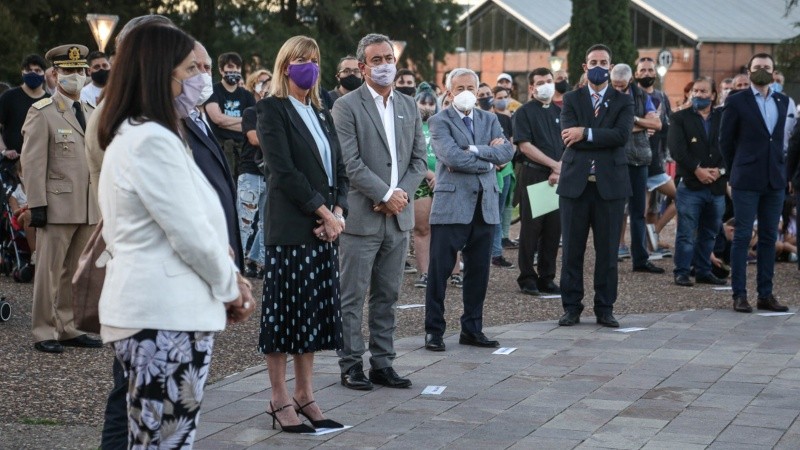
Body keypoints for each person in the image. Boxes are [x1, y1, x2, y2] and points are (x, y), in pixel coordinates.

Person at [95, 24, 253, 447]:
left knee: (159, 438)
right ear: (161, 72)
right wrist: (230, 287)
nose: (201, 78)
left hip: (165, 315)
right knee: (162, 440)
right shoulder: (149, 140)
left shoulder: (152, 133)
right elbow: (189, 232)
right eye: (190, 68)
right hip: (161, 317)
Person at [254, 34, 349, 433]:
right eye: (300, 59)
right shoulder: (272, 110)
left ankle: (305, 395)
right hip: (292, 229)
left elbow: (338, 169)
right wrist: (325, 213)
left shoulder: (322, 112)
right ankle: (279, 398)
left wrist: (338, 211)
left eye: (313, 58)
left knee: (309, 317)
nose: (308, 65)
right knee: (284, 315)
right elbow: (283, 171)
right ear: (285, 65)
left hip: (322, 230)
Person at [331, 33, 426, 391]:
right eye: (377, 60)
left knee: (388, 296)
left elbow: (418, 159)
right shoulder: (346, 106)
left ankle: (383, 364)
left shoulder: (408, 105)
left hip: (397, 218)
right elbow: (350, 163)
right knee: (352, 296)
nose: (385, 64)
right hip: (362, 216)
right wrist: (384, 193)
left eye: (389, 58)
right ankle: (351, 363)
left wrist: (398, 196)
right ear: (362, 66)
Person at [423, 68, 514, 352]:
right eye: (459, 87)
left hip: (485, 206)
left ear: (477, 91)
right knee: (439, 271)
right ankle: (434, 331)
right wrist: (488, 157)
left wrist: (473, 151)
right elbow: (450, 156)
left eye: (471, 87)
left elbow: (506, 152)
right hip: (451, 205)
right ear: (448, 92)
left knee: (479, 271)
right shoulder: (439, 121)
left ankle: (472, 329)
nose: (466, 92)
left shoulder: (491, 119)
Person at [20, 44, 102, 353]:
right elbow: (32, 162)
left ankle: (68, 327)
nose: (76, 76)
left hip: (87, 204)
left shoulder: (92, 111)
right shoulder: (42, 112)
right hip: (56, 204)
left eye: (80, 71)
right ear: (55, 74)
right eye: (69, 71)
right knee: (48, 271)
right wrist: (37, 203)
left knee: (76, 272)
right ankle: (44, 330)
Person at [557, 44, 634, 328]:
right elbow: (568, 134)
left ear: (611, 66)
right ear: (584, 66)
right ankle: (571, 307)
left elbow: (621, 136)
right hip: (576, 185)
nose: (598, 65)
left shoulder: (623, 100)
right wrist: (597, 135)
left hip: (610, 187)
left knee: (607, 253)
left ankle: (605, 308)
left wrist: (586, 133)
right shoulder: (571, 98)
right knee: (572, 252)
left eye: (604, 61)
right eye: (593, 61)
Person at [720, 53, 790, 313]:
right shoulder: (737, 101)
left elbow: (782, 140)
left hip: (774, 179)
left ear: (774, 72)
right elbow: (725, 141)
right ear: (749, 71)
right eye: (757, 67)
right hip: (746, 178)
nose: (762, 71)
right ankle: (739, 294)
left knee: (770, 237)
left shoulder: (783, 101)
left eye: (767, 67)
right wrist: (735, 167)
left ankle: (766, 293)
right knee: (742, 236)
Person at [185, 42, 244, 270]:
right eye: (193, 68)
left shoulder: (199, 118)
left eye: (206, 68)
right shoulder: (171, 125)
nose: (202, 75)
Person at [668, 77, 727, 287]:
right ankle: (682, 271)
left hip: (717, 185)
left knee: (710, 233)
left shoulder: (723, 117)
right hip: (691, 185)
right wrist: (698, 170)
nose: (699, 95)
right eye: (696, 91)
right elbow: (677, 149)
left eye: (703, 92)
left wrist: (720, 171)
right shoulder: (680, 118)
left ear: (713, 95)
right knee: (686, 232)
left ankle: (703, 270)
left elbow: (731, 147)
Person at [609, 64, 665, 274]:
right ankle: (610, 256)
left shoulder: (641, 96)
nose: (617, 89)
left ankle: (640, 259)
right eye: (614, 85)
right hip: (615, 160)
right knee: (614, 211)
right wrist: (643, 124)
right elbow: (611, 128)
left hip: (639, 159)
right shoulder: (607, 95)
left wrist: (632, 121)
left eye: (621, 86)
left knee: (638, 212)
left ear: (630, 81)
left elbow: (657, 124)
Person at [514, 67, 563, 296]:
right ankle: (527, 277)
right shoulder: (524, 112)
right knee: (531, 229)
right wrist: (553, 165)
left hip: (558, 176)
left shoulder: (561, 111)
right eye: (540, 82)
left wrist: (559, 168)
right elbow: (525, 146)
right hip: (534, 174)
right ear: (532, 88)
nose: (546, 85)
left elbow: (568, 143)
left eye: (549, 81)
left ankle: (547, 276)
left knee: (554, 229)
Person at [238, 68, 271, 277]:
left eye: (269, 81)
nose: (267, 84)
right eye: (262, 82)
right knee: (244, 223)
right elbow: (253, 138)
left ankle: (257, 261)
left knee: (265, 222)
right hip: (250, 172)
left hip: (269, 174)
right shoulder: (251, 112)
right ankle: (235, 266)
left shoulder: (276, 112)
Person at [204, 51, 256, 178]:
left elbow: (254, 125)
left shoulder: (247, 95)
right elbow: (217, 119)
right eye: (230, 67)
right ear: (222, 70)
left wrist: (226, 122)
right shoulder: (212, 91)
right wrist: (244, 120)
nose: (235, 71)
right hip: (220, 151)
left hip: (243, 154)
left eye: (238, 68)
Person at [0, 54, 49, 167]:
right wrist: (4, 151)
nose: (33, 73)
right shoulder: (9, 97)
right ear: (22, 72)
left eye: (37, 70)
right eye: (29, 70)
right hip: (11, 166)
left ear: (44, 74)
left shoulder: (50, 101)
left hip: (41, 166)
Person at [411, 84, 438, 288]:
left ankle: (453, 272)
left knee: (448, 229)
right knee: (422, 229)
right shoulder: (410, 126)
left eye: (431, 103)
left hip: (445, 180)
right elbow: (409, 156)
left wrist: (442, 176)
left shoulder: (443, 125)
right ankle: (425, 273)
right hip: (421, 182)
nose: (427, 107)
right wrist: (431, 175)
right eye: (423, 103)